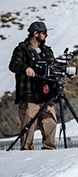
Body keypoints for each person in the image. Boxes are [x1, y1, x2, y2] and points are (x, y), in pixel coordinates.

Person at [8, 20, 57, 150]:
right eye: (44, 33)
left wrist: (66, 73)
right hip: (29, 95)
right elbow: (13, 65)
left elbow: (53, 68)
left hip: (46, 95)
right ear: (35, 33)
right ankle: (27, 155)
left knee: (50, 122)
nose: (46, 36)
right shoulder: (21, 49)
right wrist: (25, 68)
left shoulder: (47, 51)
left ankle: (50, 151)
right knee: (28, 127)